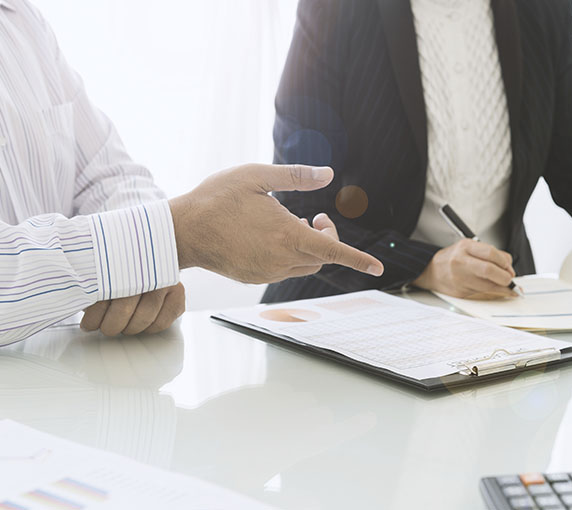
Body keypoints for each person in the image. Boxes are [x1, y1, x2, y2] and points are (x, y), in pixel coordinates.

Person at [262, 0, 572, 303]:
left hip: (495, 320)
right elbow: (302, 203)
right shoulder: (337, 8)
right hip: (342, 310)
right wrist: (425, 266)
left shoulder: (541, 10)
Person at [0, 0, 383, 346]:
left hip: (67, 375)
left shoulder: (21, 21)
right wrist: (172, 238)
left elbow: (110, 175)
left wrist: (143, 268)